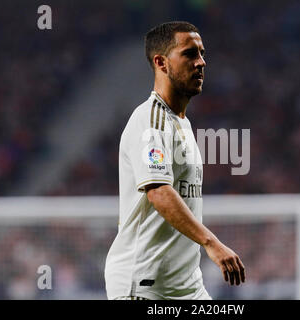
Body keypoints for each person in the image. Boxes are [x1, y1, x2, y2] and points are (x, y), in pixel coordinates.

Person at [104, 21, 245, 300]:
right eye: (190, 54)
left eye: (202, 54)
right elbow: (158, 191)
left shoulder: (181, 123)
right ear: (161, 62)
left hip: (186, 287)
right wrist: (211, 243)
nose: (201, 62)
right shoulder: (150, 119)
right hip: (144, 284)